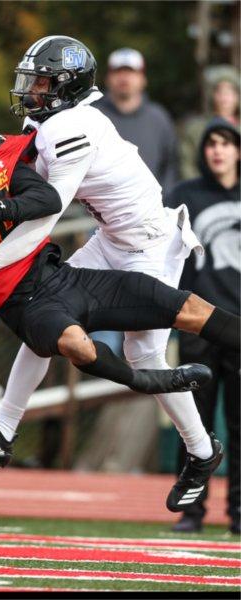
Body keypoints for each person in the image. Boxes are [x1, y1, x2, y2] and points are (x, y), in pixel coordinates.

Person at [0, 36, 232, 513]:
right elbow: (21, 174)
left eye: (43, 82)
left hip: (149, 243)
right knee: (43, 315)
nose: (32, 90)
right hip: (112, 238)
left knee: (144, 350)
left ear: (67, 86)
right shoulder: (49, 121)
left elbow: (44, 214)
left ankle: (202, 450)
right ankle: (3, 433)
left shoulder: (75, 126)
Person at [166, 119, 240, 534]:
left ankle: (240, 513)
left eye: (226, 143)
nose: (218, 150)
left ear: (238, 151)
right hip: (197, 324)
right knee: (193, 423)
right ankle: (192, 511)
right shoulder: (184, 196)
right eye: (211, 143)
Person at [94, 47, 179, 193]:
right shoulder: (92, 116)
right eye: (118, 72)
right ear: (107, 78)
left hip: (151, 210)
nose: (124, 78)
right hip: (94, 212)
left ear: (143, 79)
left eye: (131, 72)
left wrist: (164, 201)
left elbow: (171, 165)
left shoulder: (158, 118)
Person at [179, 65, 240, 180]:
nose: (224, 97)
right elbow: (187, 165)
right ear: (212, 95)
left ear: (237, 96)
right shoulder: (196, 129)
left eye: (230, 91)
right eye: (219, 91)